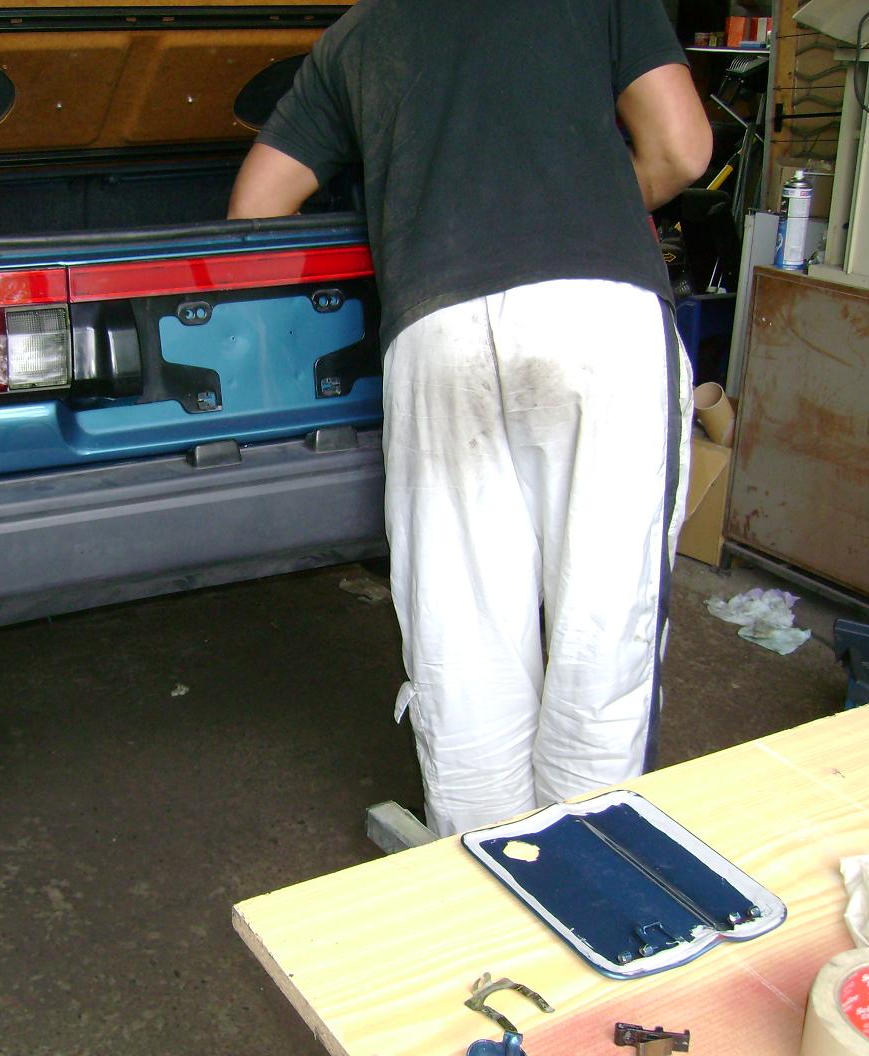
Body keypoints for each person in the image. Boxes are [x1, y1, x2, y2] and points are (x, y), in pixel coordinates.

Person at [228, 0, 713, 836]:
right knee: (604, 624)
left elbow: (255, 211)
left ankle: (483, 867)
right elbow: (681, 149)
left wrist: (399, 222)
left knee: (463, 635)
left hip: (435, 330)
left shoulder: (357, 36)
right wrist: (578, 194)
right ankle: (588, 861)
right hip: (596, 317)